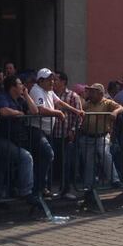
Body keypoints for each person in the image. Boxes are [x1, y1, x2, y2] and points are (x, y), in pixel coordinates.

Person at [30, 68, 83, 195]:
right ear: (41, 81)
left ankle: (42, 188)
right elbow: (41, 110)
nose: (52, 82)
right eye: (49, 80)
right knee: (48, 154)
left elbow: (59, 102)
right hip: (36, 130)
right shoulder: (37, 90)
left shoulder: (49, 91)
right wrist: (57, 113)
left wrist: (76, 111)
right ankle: (39, 188)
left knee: (45, 158)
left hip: (47, 131)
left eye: (53, 79)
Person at [0, 76, 41, 204]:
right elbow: (3, 111)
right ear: (12, 87)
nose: (23, 86)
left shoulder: (20, 100)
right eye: (20, 84)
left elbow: (35, 111)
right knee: (26, 157)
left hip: (15, 140)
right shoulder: (3, 97)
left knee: (8, 166)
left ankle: (6, 194)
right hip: (0, 139)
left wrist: (26, 95)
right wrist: (18, 113)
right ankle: (26, 192)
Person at [80, 83, 123, 191]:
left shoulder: (107, 102)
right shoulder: (87, 104)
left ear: (100, 93)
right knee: (88, 161)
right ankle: (88, 186)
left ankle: (114, 179)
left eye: (93, 92)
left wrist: (115, 112)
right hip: (87, 136)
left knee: (105, 153)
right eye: (90, 91)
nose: (90, 94)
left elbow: (121, 108)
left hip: (101, 136)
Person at [51, 71, 84, 199]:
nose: (53, 82)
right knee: (56, 163)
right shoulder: (52, 95)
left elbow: (79, 116)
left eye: (56, 80)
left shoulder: (73, 96)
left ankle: (66, 190)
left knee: (67, 163)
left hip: (67, 135)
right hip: (54, 133)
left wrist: (73, 130)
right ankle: (55, 189)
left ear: (63, 82)